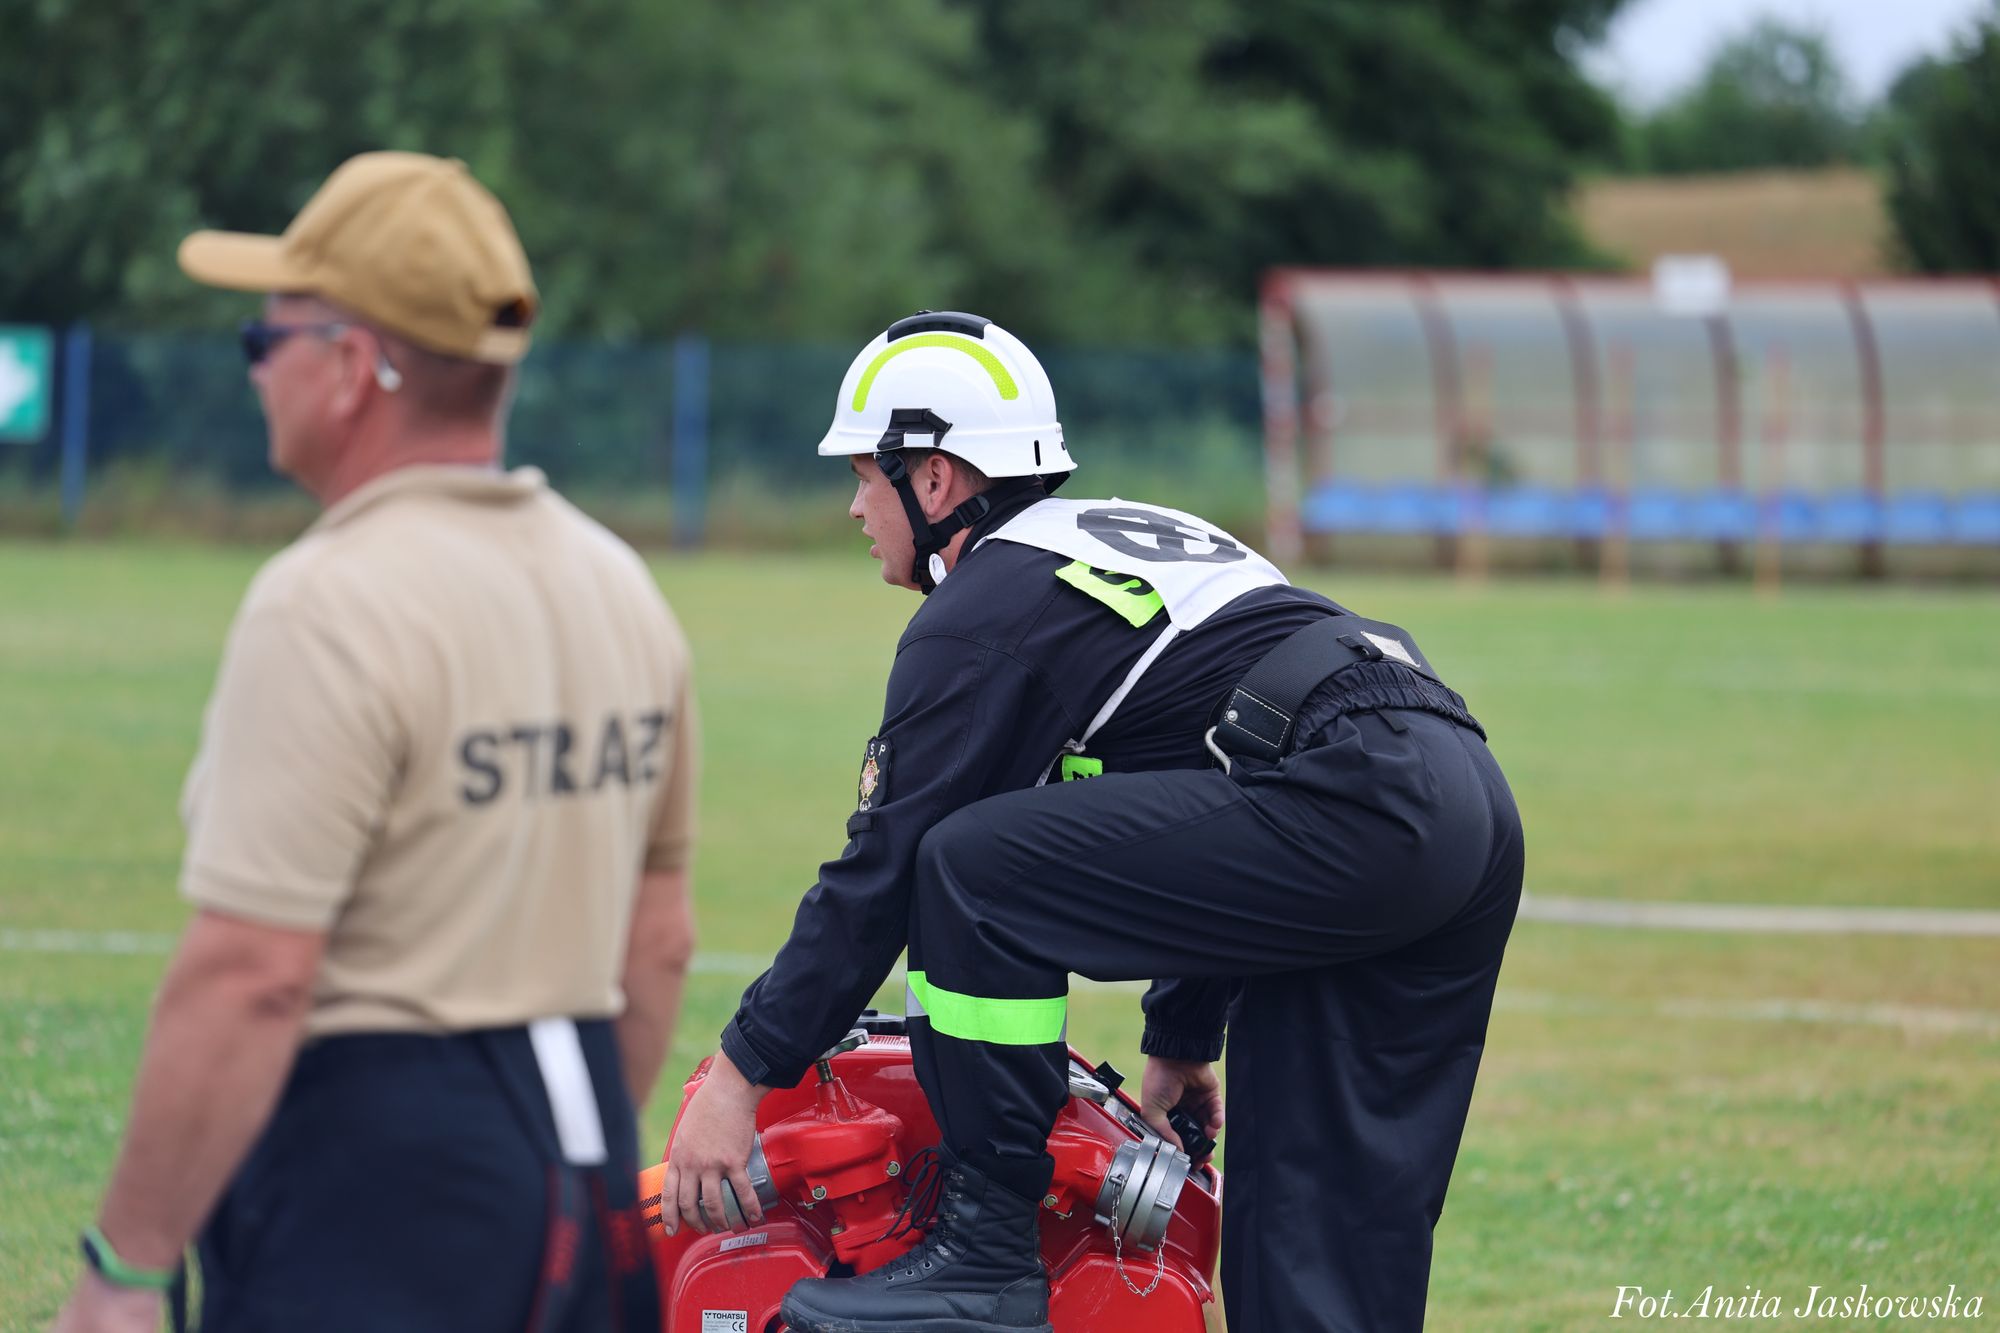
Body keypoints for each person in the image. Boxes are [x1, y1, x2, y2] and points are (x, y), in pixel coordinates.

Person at [663, 311, 1524, 1332]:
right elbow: (1219, 767)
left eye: (862, 475)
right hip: (1452, 793)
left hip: (1351, 797)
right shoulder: (1106, 547)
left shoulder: (981, 609)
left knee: (966, 868)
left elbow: (885, 868)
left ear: (933, 480)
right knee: (1317, 1227)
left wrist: (739, 1073)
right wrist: (1181, 1034)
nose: (856, 508)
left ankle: (981, 1253)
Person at [52, 152, 698, 1333]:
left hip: (380, 1176)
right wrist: (566, 1180)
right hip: (582, 1151)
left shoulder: (328, 601)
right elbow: (655, 944)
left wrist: (127, 1267)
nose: (256, 369)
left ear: (351, 368)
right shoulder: (619, 584)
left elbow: (252, 974)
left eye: (267, 338)